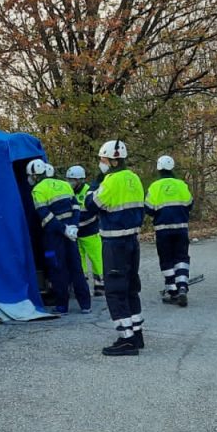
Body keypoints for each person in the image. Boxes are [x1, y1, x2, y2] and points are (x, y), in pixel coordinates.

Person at [85, 140, 145, 356]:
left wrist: (93, 187)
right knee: (131, 288)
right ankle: (136, 334)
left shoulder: (111, 180)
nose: (101, 163)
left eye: (102, 159)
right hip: (132, 240)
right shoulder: (134, 178)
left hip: (114, 242)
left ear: (112, 160)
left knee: (115, 291)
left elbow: (91, 205)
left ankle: (125, 339)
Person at [29, 160, 91, 314]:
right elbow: (76, 207)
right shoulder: (64, 184)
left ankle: (62, 306)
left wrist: (63, 229)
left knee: (58, 269)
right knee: (76, 267)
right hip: (71, 234)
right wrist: (73, 227)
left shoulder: (38, 190)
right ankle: (85, 305)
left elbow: (45, 214)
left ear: (35, 175)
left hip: (53, 236)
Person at [144, 155, 193, 307]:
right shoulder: (181, 184)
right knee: (181, 257)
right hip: (181, 228)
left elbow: (149, 208)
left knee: (166, 259)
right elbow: (190, 204)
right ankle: (183, 286)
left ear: (158, 169)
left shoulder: (154, 186)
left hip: (162, 230)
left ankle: (172, 291)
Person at [65, 165, 104, 298]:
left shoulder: (88, 191)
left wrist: (77, 223)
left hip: (90, 231)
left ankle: (100, 285)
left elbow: (94, 211)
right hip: (76, 234)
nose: (70, 183)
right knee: (79, 260)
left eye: (73, 180)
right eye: (69, 180)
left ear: (80, 180)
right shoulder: (69, 192)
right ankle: (83, 285)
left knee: (96, 258)